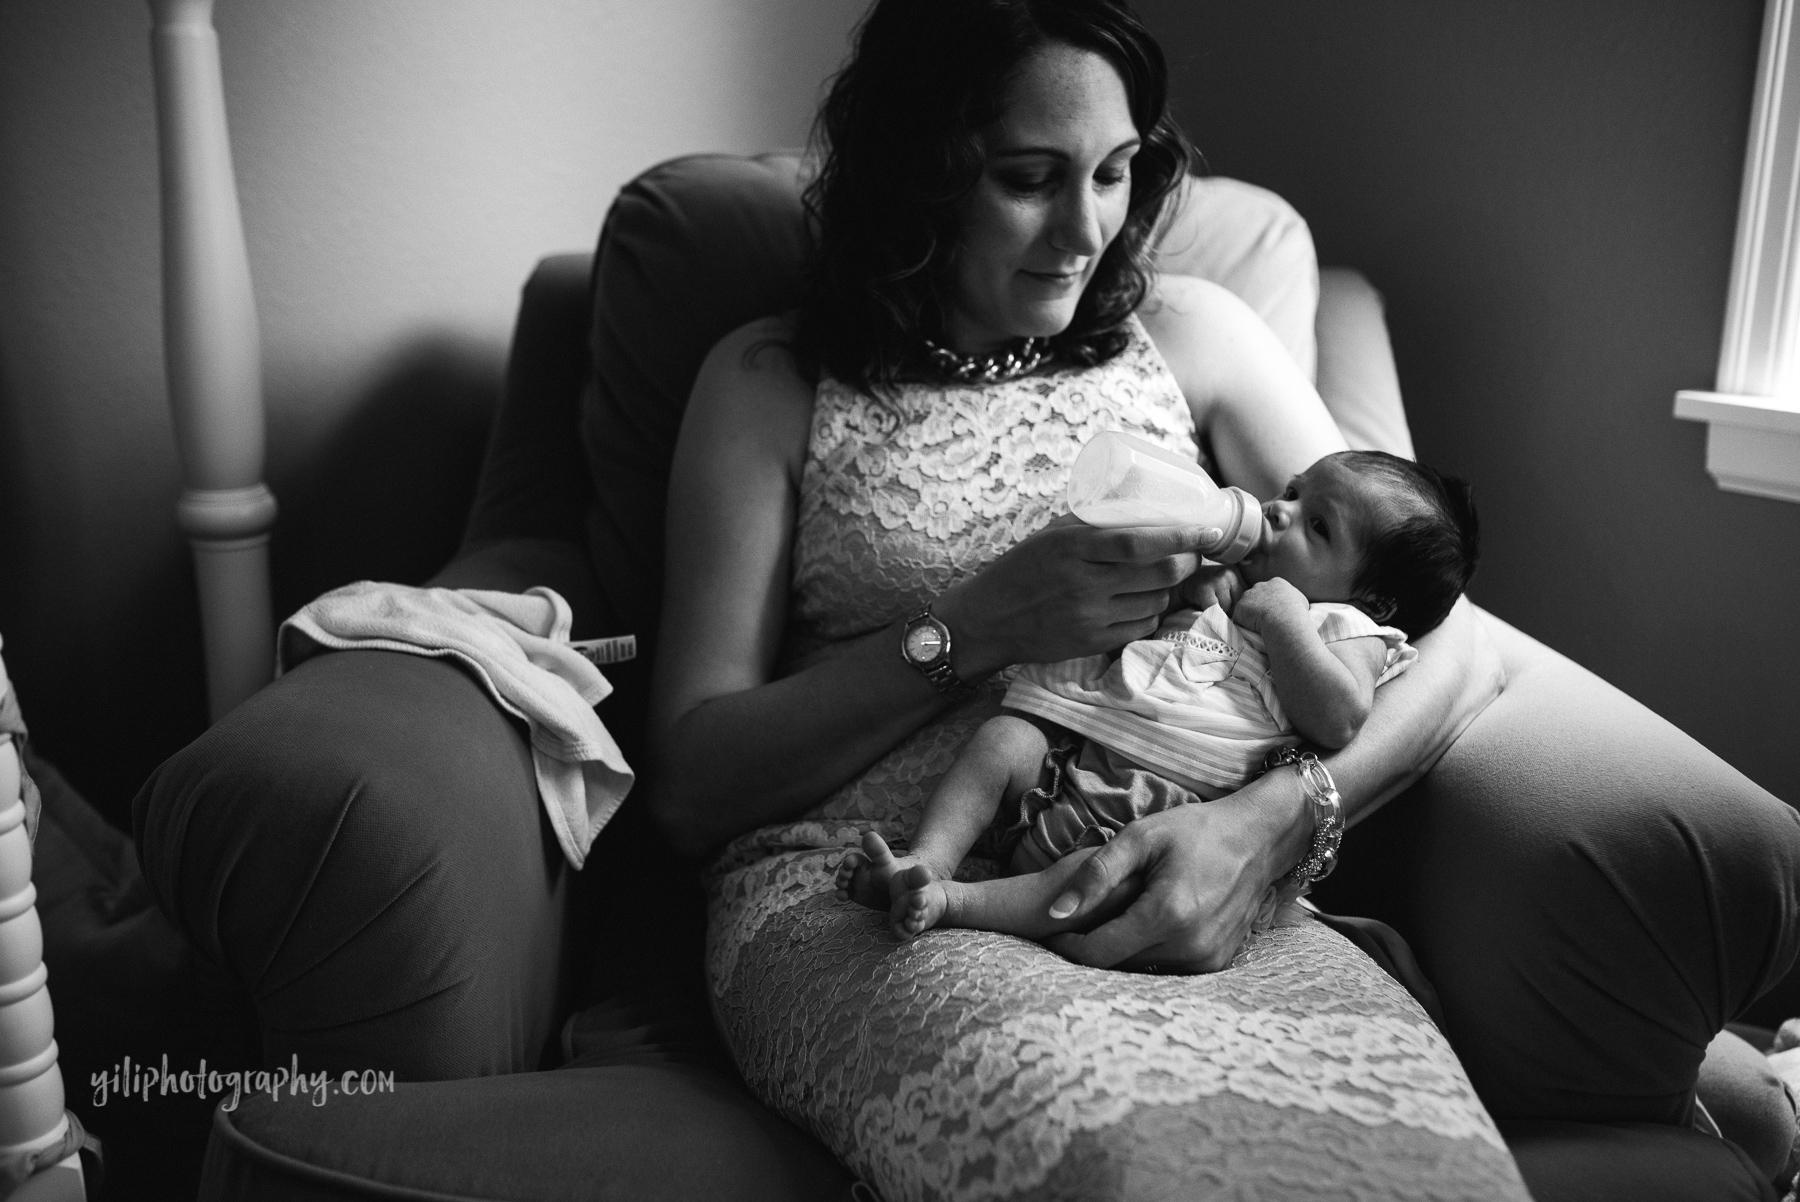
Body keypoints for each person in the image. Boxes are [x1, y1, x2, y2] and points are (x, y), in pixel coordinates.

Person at [647, 0, 1800, 1195]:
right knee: (1119, 1161)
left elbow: (1445, 637)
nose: (1084, 227)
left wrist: (1278, 819)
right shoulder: (770, 383)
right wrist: (977, 627)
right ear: (918, 177)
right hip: (873, 884)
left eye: (1113, 169)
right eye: (1028, 178)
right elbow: (690, 786)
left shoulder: (1191, 337)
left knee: (1401, 1166)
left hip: (1186, 867)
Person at [834, 449, 1479, 942]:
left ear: (1373, 599)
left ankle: (956, 905)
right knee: (1005, 740)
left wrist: (1285, 622)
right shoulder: (1228, 579)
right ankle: (927, 860)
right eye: (1291, 491)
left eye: (1317, 526)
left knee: (1099, 873)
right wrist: (1193, 591)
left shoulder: (1348, 629)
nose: (1278, 511)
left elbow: (1340, 717)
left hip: (1165, 805)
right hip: (1070, 757)